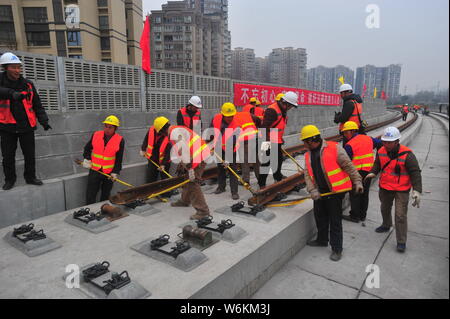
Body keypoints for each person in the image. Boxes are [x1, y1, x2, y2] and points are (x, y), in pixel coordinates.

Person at [301, 125, 364, 261]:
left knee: (335, 221)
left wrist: (357, 181)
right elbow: (307, 174)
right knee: (320, 217)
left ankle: (337, 249)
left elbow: (349, 166)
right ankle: (322, 240)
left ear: (311, 140)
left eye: (304, 142)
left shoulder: (335, 148)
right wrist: (312, 190)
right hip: (320, 192)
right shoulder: (308, 155)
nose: (304, 145)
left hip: (335, 192)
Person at [364, 127, 422, 253]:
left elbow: (415, 172)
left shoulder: (408, 155)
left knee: (400, 215)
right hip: (385, 187)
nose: (386, 144)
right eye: (384, 141)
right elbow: (377, 164)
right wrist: (373, 172)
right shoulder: (381, 151)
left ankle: (401, 241)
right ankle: (386, 225)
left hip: (401, 189)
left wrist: (417, 190)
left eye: (389, 142)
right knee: (384, 208)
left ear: (397, 141)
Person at [0, 52, 52, 190]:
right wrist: (12, 94)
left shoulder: (27, 84)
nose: (18, 70)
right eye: (14, 67)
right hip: (7, 127)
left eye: (19, 67)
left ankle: (30, 177)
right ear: (5, 68)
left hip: (26, 126)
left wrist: (44, 121)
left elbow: (37, 104)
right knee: (8, 157)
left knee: (29, 155)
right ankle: (10, 180)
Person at [164, 118, 212, 220]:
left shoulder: (174, 133)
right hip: (199, 154)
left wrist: (189, 167)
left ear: (161, 130)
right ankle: (185, 201)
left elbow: (184, 150)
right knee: (187, 179)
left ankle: (203, 211)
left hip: (198, 157)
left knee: (193, 183)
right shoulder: (176, 129)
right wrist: (183, 164)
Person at [210, 103, 258, 199]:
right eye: (227, 117)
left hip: (231, 148)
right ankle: (221, 187)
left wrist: (228, 158)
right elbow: (212, 131)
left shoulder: (237, 124)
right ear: (223, 114)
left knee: (233, 170)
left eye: (231, 116)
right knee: (220, 169)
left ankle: (234, 192)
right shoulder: (216, 118)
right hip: (219, 147)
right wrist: (210, 145)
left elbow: (234, 141)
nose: (230, 118)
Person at [340, 121, 382, 223]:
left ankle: (354, 216)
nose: (345, 135)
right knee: (364, 193)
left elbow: (346, 162)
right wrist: (378, 159)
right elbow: (380, 144)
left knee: (355, 194)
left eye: (346, 132)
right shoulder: (368, 138)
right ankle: (363, 215)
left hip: (356, 173)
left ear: (353, 131)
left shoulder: (349, 145)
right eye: (344, 133)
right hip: (368, 171)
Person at [258, 91, 298, 189]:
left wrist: (280, 139)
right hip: (267, 141)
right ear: (286, 103)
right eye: (291, 106)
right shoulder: (272, 110)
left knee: (279, 160)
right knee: (266, 163)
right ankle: (262, 184)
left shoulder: (283, 110)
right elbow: (264, 128)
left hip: (276, 140)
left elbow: (278, 127)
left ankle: (277, 177)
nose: (291, 108)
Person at [83, 115, 125, 204]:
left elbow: (119, 159)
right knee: (90, 194)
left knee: (105, 195)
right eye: (105, 126)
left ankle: (104, 210)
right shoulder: (96, 135)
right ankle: (89, 211)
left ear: (115, 128)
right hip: (95, 170)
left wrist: (115, 172)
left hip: (108, 173)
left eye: (110, 127)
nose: (107, 129)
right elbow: (87, 148)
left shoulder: (120, 140)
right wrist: (87, 159)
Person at [140, 117, 173, 186]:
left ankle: (166, 194)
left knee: (165, 178)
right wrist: (143, 149)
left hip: (165, 160)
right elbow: (146, 140)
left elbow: (168, 153)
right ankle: (151, 192)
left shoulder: (170, 135)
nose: (167, 130)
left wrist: (163, 164)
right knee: (151, 177)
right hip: (153, 158)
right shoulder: (151, 130)